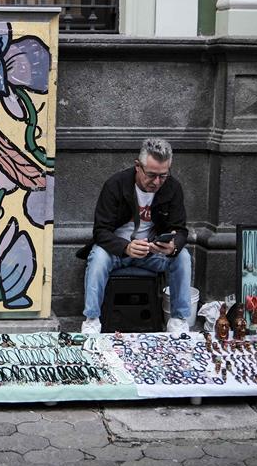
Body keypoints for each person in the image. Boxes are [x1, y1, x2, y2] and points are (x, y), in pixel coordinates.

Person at [76, 138, 192, 335]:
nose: (157, 182)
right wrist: (125, 247)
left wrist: (172, 246)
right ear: (138, 166)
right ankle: (92, 319)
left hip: (151, 252)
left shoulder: (172, 188)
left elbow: (180, 230)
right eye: (152, 175)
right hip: (116, 252)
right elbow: (100, 231)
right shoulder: (116, 184)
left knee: (183, 257)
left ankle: (179, 319)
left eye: (163, 176)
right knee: (97, 257)